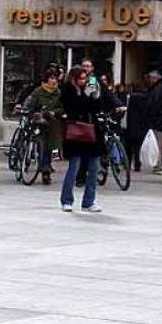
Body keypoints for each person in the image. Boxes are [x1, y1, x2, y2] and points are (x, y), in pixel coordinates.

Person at [59, 66, 106, 213]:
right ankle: (67, 200)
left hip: (93, 132)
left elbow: (96, 108)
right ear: (74, 78)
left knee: (94, 168)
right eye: (81, 78)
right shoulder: (68, 90)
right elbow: (75, 108)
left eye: (86, 78)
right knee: (74, 167)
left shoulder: (89, 87)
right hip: (76, 132)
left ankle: (89, 200)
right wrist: (85, 95)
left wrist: (96, 95)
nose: (84, 81)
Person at [24, 68, 64, 186]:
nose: (53, 81)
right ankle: (43, 166)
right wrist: (34, 114)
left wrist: (55, 113)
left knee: (50, 145)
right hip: (39, 122)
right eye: (51, 78)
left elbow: (62, 107)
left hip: (52, 123)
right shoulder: (38, 91)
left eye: (55, 78)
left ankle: (46, 168)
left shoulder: (59, 93)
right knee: (42, 143)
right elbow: (31, 106)